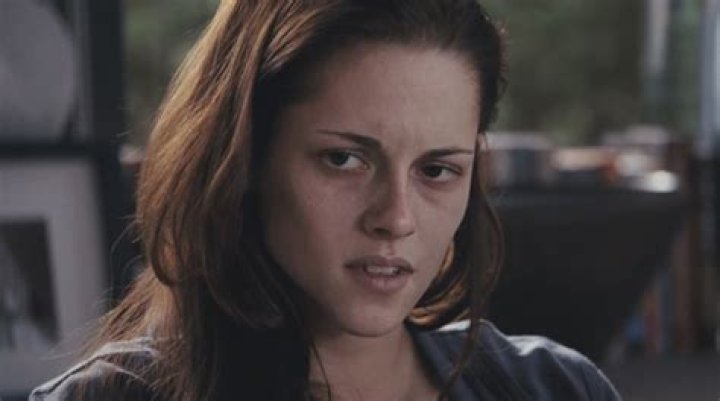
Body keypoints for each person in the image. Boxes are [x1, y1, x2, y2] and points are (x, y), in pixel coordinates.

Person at [30, 0, 621, 400]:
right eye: (344, 159)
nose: (395, 218)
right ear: (245, 156)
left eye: (437, 170)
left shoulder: (554, 387)